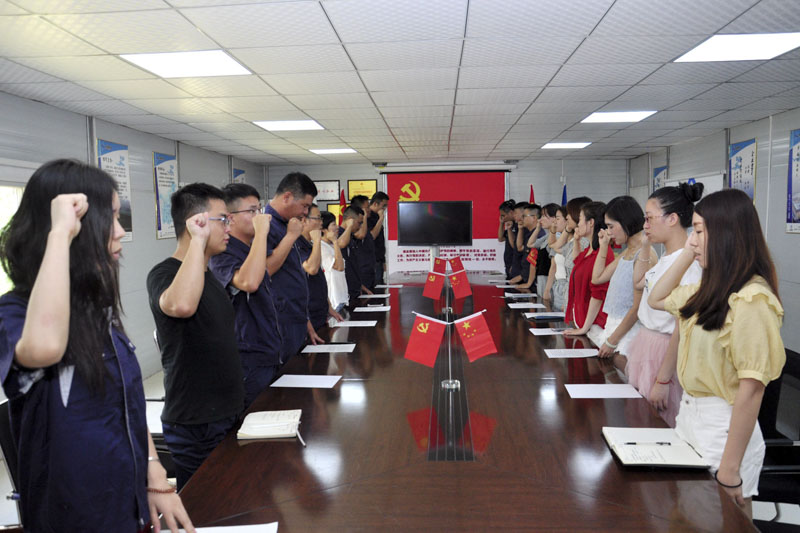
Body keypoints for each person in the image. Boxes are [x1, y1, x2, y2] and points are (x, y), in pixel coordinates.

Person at [0, 159, 193, 531]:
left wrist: (154, 475)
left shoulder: (95, 309)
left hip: (125, 505)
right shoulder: (14, 312)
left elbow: (126, 403)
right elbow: (46, 348)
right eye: (111, 218)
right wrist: (59, 234)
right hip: (75, 517)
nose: (120, 232)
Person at [647, 189, 785, 517]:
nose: (691, 240)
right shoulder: (706, 290)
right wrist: (689, 252)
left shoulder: (751, 300)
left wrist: (730, 469)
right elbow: (656, 298)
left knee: (720, 521)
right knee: (689, 517)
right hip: (691, 419)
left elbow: (752, 389)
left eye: (698, 231)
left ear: (727, 235)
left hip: (724, 429)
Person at [147, 183, 244, 490]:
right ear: (195, 223)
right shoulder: (163, 273)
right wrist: (199, 241)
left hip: (226, 413)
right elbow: (181, 305)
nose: (229, 228)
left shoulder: (208, 275)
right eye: (222, 219)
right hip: (196, 422)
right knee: (205, 505)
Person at [625, 183, 704, 427]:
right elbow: (639, 283)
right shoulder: (667, 257)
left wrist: (663, 379)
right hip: (647, 344)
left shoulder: (688, 264)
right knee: (642, 420)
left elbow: (681, 327)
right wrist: (645, 246)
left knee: (660, 422)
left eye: (649, 219)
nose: (645, 226)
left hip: (665, 350)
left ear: (672, 219)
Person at [208, 183, 282, 409]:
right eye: (252, 211)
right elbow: (248, 282)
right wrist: (262, 234)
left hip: (267, 350)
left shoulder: (250, 249)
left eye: (260, 209)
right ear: (230, 218)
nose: (260, 216)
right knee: (251, 415)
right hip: (248, 355)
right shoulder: (222, 253)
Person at [264, 172, 322, 363]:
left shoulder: (288, 225)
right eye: (304, 206)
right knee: (286, 374)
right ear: (287, 197)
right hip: (281, 320)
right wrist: (290, 237)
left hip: (297, 318)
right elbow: (265, 271)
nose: (305, 212)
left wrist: (305, 320)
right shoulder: (268, 226)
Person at [592, 196, 654, 365]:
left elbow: (637, 307)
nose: (609, 232)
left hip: (629, 335)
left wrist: (612, 341)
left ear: (626, 221)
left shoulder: (644, 253)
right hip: (615, 331)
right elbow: (597, 278)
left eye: (611, 226)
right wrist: (603, 246)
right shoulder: (628, 252)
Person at [564, 201, 613, 347]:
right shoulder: (589, 250)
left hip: (594, 326)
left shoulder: (603, 254)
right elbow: (577, 262)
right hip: (584, 322)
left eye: (580, 219)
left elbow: (598, 294)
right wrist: (576, 241)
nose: (577, 224)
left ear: (591, 223)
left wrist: (584, 328)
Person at [297, 204, 343, 330]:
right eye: (317, 218)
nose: (321, 222)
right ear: (304, 220)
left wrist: (329, 307)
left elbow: (319, 277)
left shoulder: (311, 244)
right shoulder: (297, 244)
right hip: (308, 313)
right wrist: (317, 240)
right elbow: (311, 269)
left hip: (320, 309)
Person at [341, 205, 372, 302]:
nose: (360, 227)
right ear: (350, 220)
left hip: (354, 289)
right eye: (359, 223)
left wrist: (361, 286)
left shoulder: (351, 237)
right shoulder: (339, 235)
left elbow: (352, 266)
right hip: (345, 291)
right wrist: (349, 226)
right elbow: (340, 244)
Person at [320, 211, 349, 313]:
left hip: (341, 297)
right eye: (333, 224)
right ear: (324, 230)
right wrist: (335, 241)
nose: (337, 227)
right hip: (333, 300)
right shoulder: (321, 246)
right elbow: (339, 267)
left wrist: (334, 243)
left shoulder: (331, 245)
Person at [349, 195, 377, 293]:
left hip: (370, 271)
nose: (369, 210)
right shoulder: (354, 226)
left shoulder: (365, 225)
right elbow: (361, 235)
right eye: (367, 207)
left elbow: (371, 236)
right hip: (361, 272)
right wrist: (364, 216)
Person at [544, 205, 569, 310]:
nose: (555, 222)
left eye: (558, 218)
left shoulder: (574, 241)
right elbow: (552, 245)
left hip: (566, 286)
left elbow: (554, 246)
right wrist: (547, 290)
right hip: (558, 285)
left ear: (567, 220)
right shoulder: (561, 238)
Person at [367, 191, 389, 285]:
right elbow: (372, 236)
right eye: (383, 206)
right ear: (375, 204)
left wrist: (383, 260)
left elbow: (380, 241)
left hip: (378, 260)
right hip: (371, 260)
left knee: (380, 285)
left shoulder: (377, 216)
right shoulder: (367, 217)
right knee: (374, 287)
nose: (385, 209)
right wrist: (381, 219)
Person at [497, 200, 516, 278]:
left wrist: (509, 229)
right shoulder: (510, 225)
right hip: (508, 264)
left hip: (514, 265)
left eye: (503, 215)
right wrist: (501, 223)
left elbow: (515, 246)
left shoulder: (518, 226)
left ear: (511, 213)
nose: (502, 217)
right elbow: (500, 238)